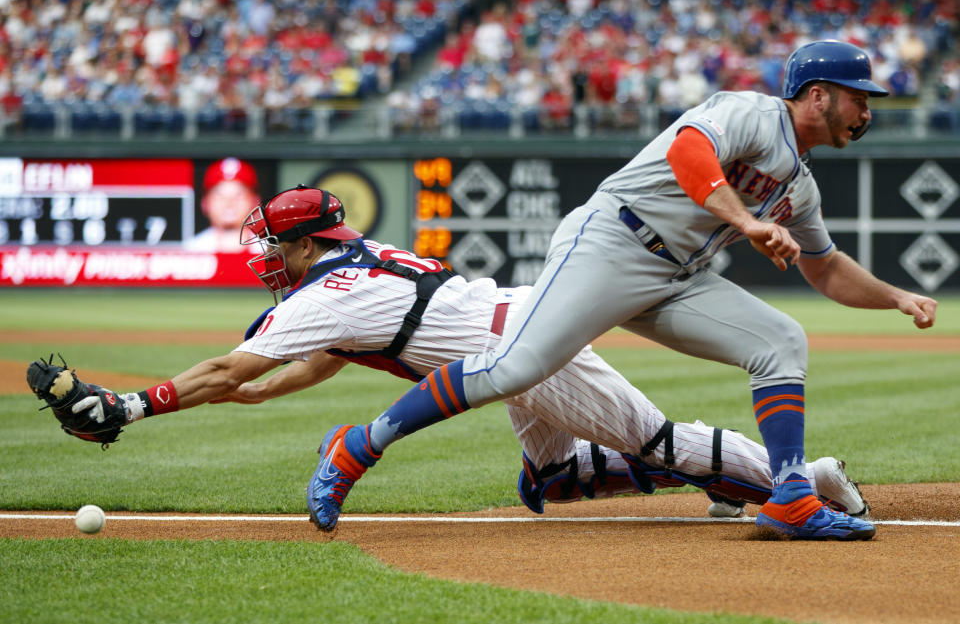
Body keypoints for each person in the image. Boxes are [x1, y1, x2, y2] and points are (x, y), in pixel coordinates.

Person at [309, 40, 937, 541]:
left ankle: (793, 499)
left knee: (781, 341)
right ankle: (358, 446)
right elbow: (691, 152)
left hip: (675, 276)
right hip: (610, 241)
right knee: (517, 367)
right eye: (860, 97)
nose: (868, 111)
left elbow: (825, 269)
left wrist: (896, 297)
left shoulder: (800, 186)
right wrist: (746, 221)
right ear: (819, 95)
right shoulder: (753, 113)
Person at [64, 186, 868, 525]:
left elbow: (225, 365)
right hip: (512, 330)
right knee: (546, 481)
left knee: (655, 442)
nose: (264, 259)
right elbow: (328, 358)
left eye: (274, 246)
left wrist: (130, 406)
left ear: (308, 244)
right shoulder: (359, 265)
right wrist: (260, 396)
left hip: (530, 349)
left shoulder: (327, 292)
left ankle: (807, 475)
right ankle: (726, 478)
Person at [185, 157, 261, 252]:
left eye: (239, 195)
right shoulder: (190, 252)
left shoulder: (272, 254)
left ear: (255, 202)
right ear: (205, 203)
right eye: (220, 195)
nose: (229, 203)